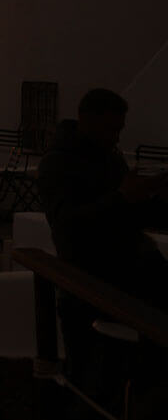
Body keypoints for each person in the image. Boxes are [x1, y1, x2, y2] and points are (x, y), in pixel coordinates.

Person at [37, 87, 168, 394]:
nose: (116, 138)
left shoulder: (109, 158)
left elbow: (128, 212)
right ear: (87, 120)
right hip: (94, 281)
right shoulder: (58, 163)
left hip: (131, 273)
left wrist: (153, 199)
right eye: (112, 129)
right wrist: (124, 198)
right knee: (93, 378)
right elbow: (68, 225)